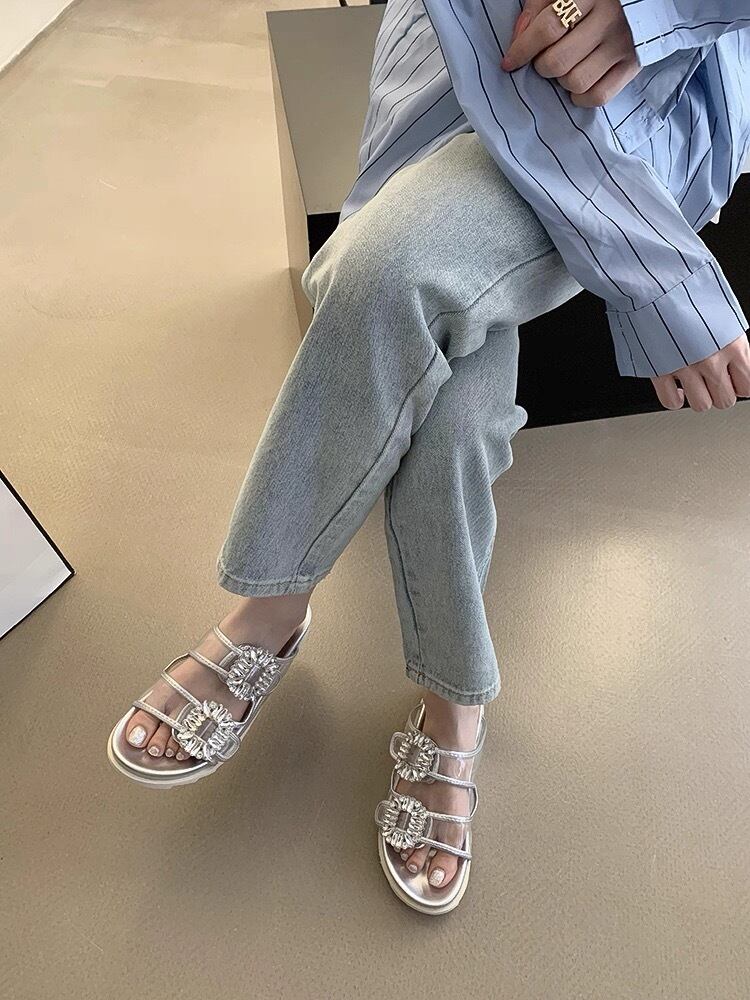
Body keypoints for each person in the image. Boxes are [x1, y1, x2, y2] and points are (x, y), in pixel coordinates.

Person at [107, 0, 750, 914]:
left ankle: (271, 613)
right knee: (447, 413)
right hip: (460, 53)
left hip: (647, 101)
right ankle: (452, 703)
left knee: (383, 271)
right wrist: (663, 278)